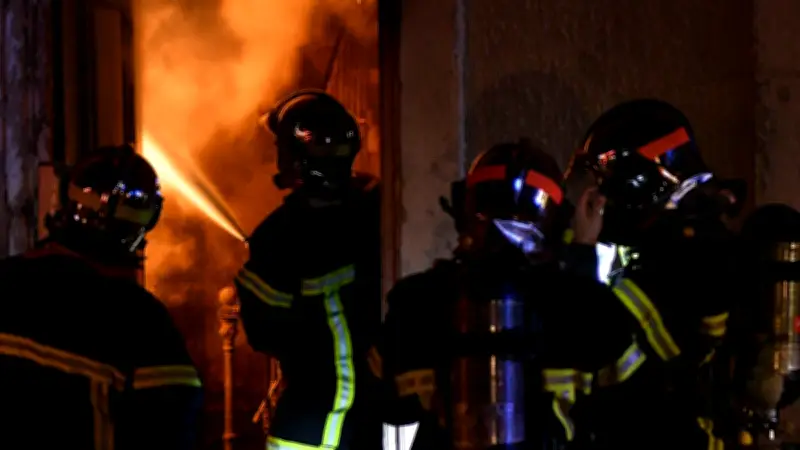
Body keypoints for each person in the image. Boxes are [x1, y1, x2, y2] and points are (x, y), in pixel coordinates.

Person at [382, 140, 643, 450]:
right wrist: (581, 257)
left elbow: (390, 413)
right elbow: (629, 418)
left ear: (464, 211)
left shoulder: (415, 300)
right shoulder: (589, 306)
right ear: (560, 221)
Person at [0, 144, 203, 450]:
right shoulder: (144, 325)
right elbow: (171, 429)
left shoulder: (6, 281)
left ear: (65, 201)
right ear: (144, 223)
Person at [567, 98, 740, 449]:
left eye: (607, 185)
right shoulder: (669, 240)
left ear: (637, 183)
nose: (602, 198)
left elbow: (591, 335)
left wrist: (582, 252)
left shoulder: (692, 254)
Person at [236, 90, 382, 450]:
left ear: (291, 159)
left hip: (307, 425)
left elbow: (263, 332)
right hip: (374, 420)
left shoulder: (276, 237)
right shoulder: (379, 217)